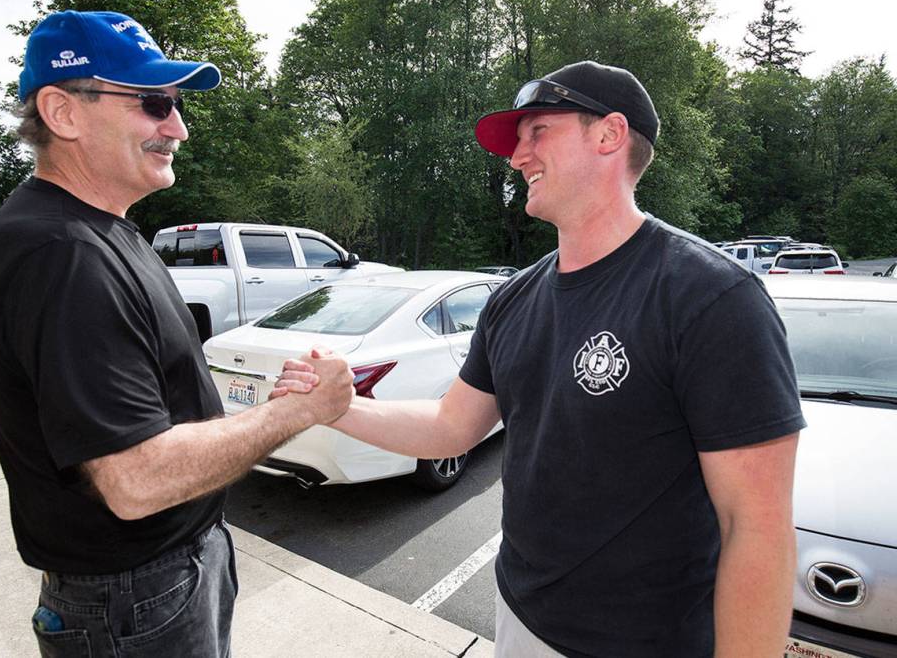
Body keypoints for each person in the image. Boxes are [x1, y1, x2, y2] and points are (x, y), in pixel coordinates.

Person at [277, 61, 804, 657]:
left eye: (538, 132)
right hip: (519, 616)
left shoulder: (711, 297)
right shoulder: (512, 299)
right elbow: (452, 427)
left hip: (646, 642)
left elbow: (755, 527)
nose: (516, 157)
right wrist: (339, 408)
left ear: (609, 135)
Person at [0, 10, 353, 657]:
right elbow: (136, 479)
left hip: (159, 579)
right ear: (62, 111)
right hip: (134, 596)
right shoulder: (60, 252)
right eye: (153, 104)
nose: (178, 127)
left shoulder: (100, 231)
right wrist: (300, 411)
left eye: (175, 105)